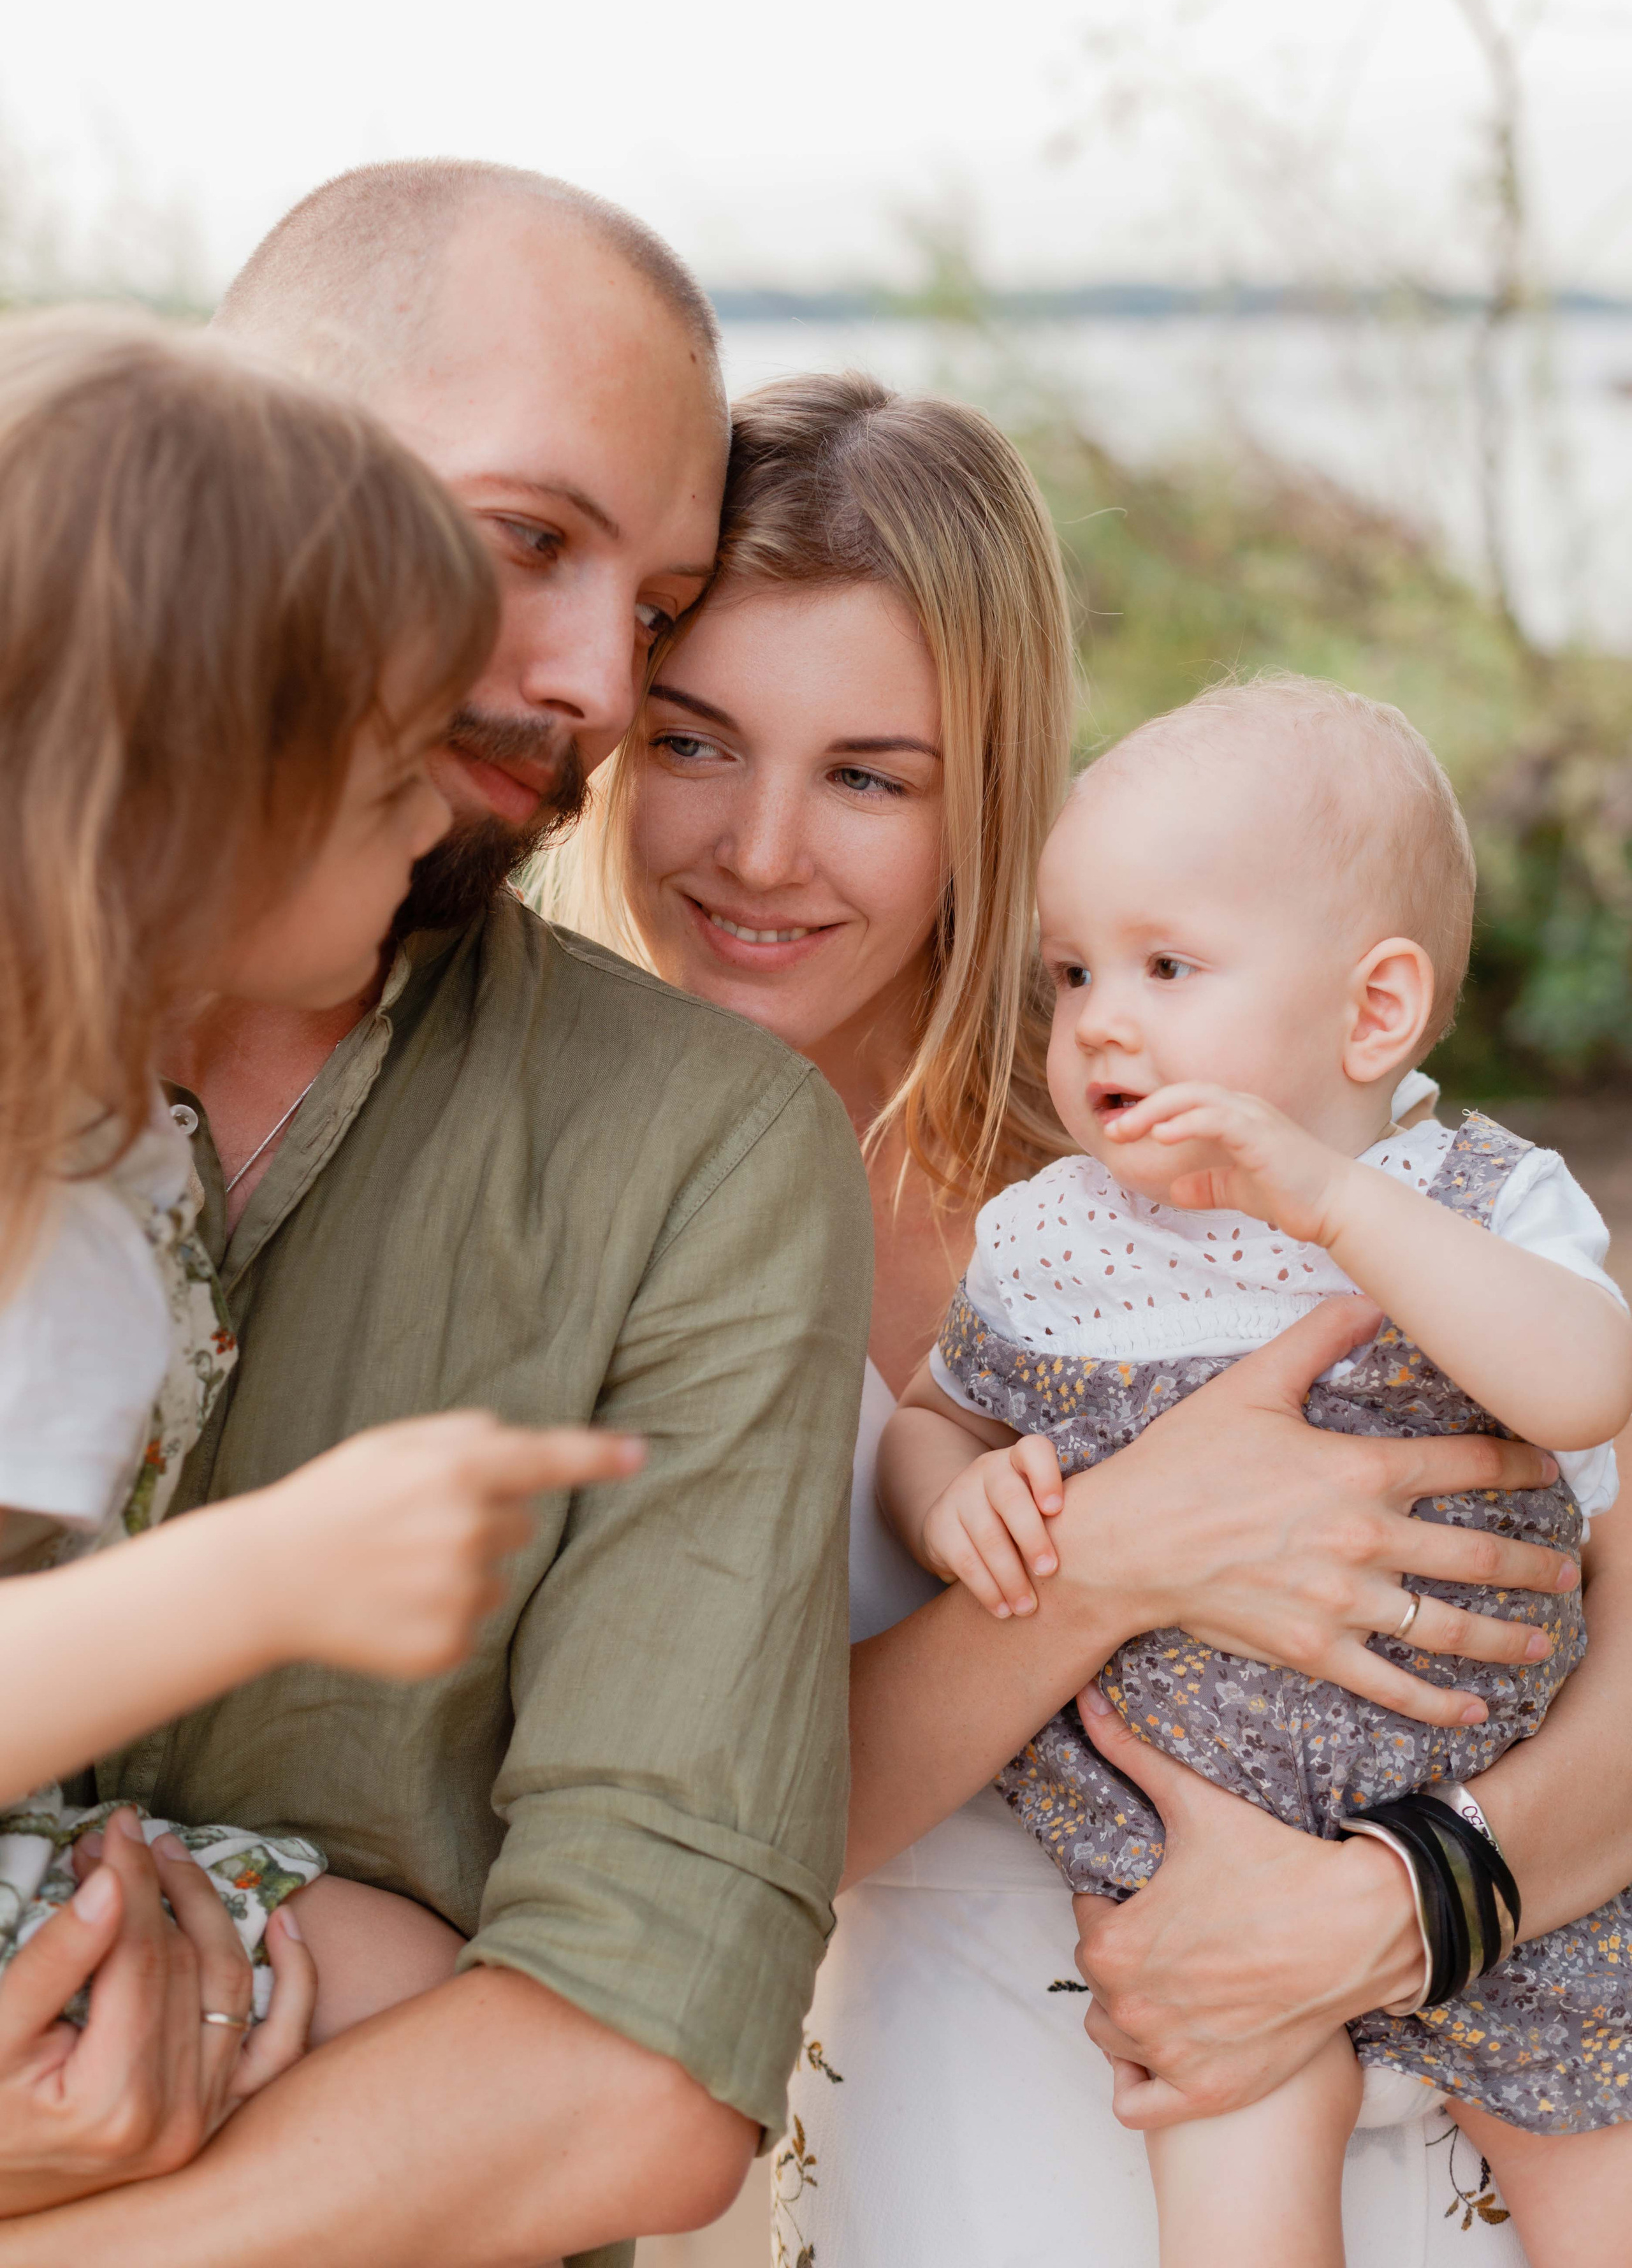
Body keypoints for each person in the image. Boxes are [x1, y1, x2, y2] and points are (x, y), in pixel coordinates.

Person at [550, 367, 1632, 2266]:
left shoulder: (1221, 1135)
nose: (762, 850)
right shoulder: (571, 1212)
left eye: (872, 774)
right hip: (1013, 2119)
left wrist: (1409, 1899)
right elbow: (685, 1856)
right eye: (698, 743)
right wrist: (1120, 1557)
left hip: (1479, 2045)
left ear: (1001, 790)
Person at [0, 167, 872, 2268]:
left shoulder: (702, 1157)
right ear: (247, 482)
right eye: (526, 543)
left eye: (656, 607)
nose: (594, 683)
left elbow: (639, 2070)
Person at [878, 672, 1632, 2268]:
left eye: (1165, 966)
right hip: (1186, 1878)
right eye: (1071, 973)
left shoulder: (1471, 1196)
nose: (1098, 1021)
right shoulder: (1059, 1235)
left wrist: (1335, 1207)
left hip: (1516, 1871)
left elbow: (1582, 1385)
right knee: (1232, 2208)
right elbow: (938, 1413)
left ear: (1370, 1012)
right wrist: (949, 1498)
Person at [0, 309, 639, 2162]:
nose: (428, 827)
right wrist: (270, 1575)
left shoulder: (99, 1144)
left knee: (406, 1978)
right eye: (382, 795)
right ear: (184, 826)